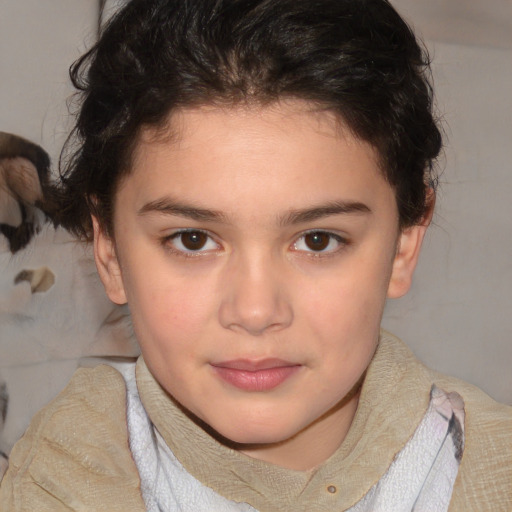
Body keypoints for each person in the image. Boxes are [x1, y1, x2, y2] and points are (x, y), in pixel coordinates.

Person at [0, 0, 510, 510]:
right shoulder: (55, 482)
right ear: (109, 250)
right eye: (192, 240)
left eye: (318, 240)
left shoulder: (492, 476)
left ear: (404, 243)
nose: (255, 311)